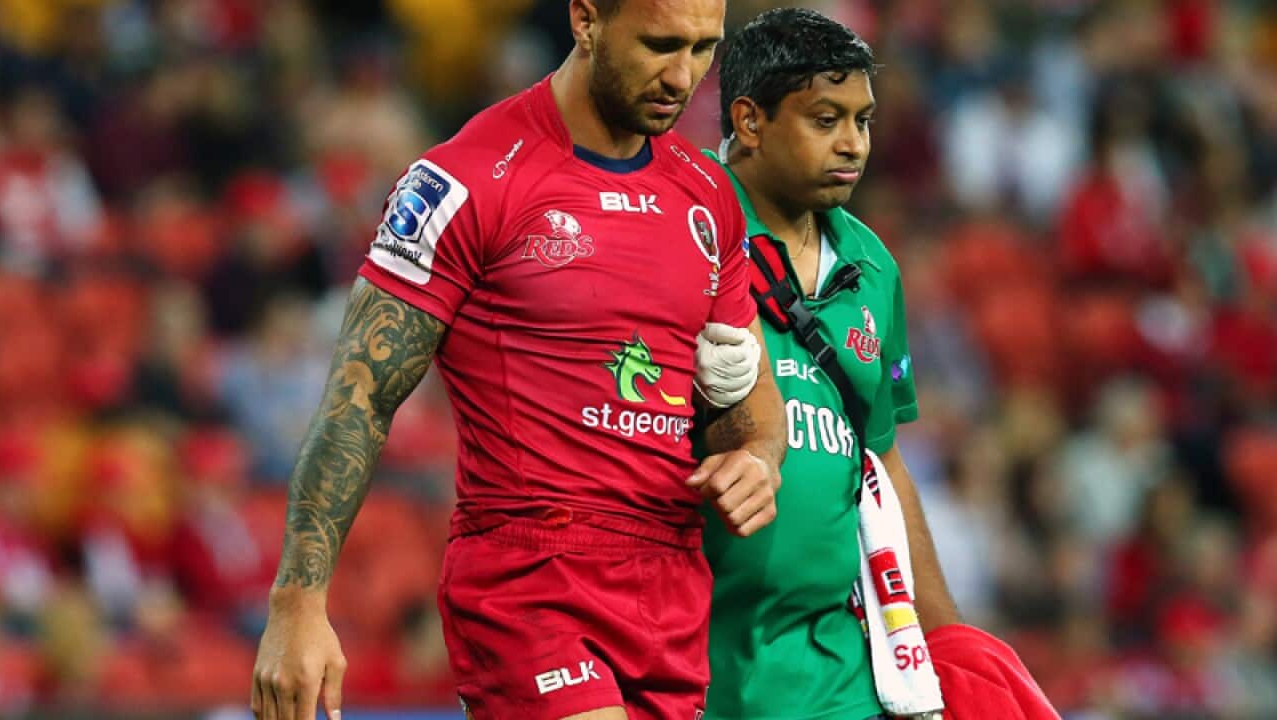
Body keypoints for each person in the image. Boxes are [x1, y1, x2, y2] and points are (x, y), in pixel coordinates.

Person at [250, 1, 788, 720]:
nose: (683, 76)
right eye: (660, 44)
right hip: (531, 579)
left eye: (702, 49)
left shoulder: (708, 194)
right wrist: (298, 601)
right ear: (585, 18)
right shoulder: (464, 179)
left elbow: (744, 407)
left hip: (670, 585)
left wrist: (758, 455)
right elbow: (360, 393)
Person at [700, 9, 962, 720]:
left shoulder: (874, 268)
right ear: (749, 121)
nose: (853, 144)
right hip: (691, 662)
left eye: (864, 120)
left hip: (835, 675)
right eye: (826, 119)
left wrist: (947, 645)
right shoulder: (682, 233)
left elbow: (883, 463)